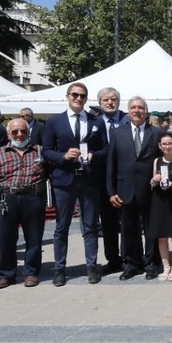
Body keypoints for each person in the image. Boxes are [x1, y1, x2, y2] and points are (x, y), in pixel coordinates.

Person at [42, 83, 108, 286]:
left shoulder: (96, 121)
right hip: (64, 180)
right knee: (61, 227)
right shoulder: (54, 122)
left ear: (87, 99)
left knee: (90, 226)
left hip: (88, 180)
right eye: (75, 95)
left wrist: (94, 155)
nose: (78, 98)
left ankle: (91, 267)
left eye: (82, 96)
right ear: (68, 96)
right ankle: (60, 269)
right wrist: (63, 156)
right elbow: (45, 151)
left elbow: (106, 148)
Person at [0, 117, 47, 288]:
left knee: (34, 238)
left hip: (33, 198)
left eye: (23, 131)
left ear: (29, 132)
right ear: (8, 134)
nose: (19, 134)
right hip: (6, 199)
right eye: (15, 131)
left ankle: (31, 272)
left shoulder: (40, 151)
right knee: (6, 239)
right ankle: (6, 274)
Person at [107, 96, 166, 279]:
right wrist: (111, 191)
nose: (137, 110)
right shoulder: (118, 133)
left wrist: (163, 181)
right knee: (128, 229)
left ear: (146, 111)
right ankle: (131, 264)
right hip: (125, 189)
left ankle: (151, 263)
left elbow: (164, 161)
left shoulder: (156, 133)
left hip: (150, 189)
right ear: (128, 111)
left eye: (140, 107)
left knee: (151, 229)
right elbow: (112, 163)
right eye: (133, 107)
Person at [94, 87, 127, 274]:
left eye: (113, 99)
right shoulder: (93, 122)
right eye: (105, 100)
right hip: (102, 180)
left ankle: (130, 257)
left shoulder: (128, 119)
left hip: (126, 178)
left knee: (129, 220)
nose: (109, 102)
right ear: (100, 103)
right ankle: (113, 259)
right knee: (107, 222)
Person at [148, 133, 172, 280]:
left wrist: (171, 183)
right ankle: (166, 267)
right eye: (164, 144)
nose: (167, 146)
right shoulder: (157, 161)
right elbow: (152, 183)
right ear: (159, 146)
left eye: (169, 143)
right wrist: (154, 180)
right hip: (159, 201)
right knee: (161, 237)